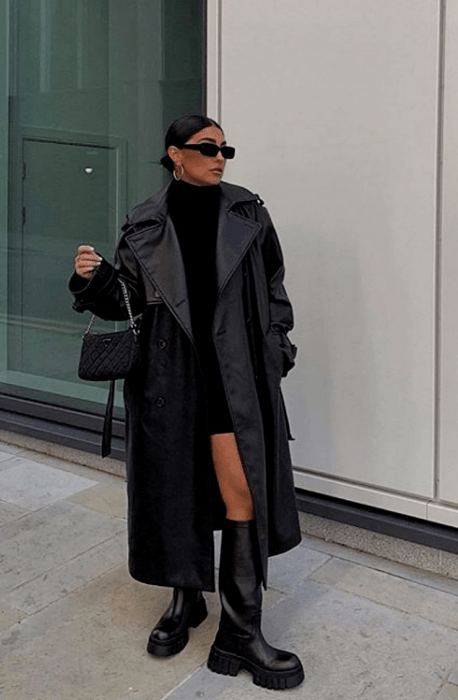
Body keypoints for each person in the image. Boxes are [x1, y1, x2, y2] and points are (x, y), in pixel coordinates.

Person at [69, 114, 303, 690]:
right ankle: (185, 602)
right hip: (169, 381)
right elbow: (129, 298)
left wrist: (275, 351)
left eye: (225, 148)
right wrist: (92, 279)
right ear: (175, 154)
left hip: (234, 378)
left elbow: (275, 288)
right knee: (178, 491)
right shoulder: (145, 221)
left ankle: (242, 631)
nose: (220, 156)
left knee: (241, 492)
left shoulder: (247, 212)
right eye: (207, 148)